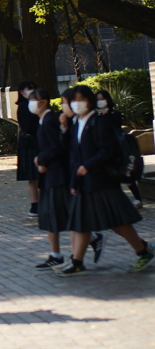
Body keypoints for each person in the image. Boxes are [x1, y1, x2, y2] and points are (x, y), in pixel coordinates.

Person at [58, 84, 154, 276]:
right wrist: (75, 182)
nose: (76, 104)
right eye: (73, 100)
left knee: (117, 221)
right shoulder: (76, 124)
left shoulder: (100, 122)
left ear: (90, 101)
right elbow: (73, 155)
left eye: (81, 99)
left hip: (101, 181)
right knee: (81, 222)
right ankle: (77, 261)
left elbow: (107, 151)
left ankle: (143, 250)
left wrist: (89, 166)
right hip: (85, 182)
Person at [32, 89, 70, 268]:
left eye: (35, 100)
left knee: (59, 213)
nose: (32, 103)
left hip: (57, 174)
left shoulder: (48, 121)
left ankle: (92, 238)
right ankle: (55, 253)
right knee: (50, 214)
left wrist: (41, 158)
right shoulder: (43, 120)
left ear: (44, 102)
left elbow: (57, 146)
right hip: (49, 174)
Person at [15, 79, 40, 214]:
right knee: (33, 177)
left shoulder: (37, 105)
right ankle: (35, 204)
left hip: (37, 143)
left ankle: (39, 203)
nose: (30, 91)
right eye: (27, 89)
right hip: (29, 144)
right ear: (21, 92)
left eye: (33, 88)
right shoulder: (24, 106)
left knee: (39, 177)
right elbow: (28, 126)